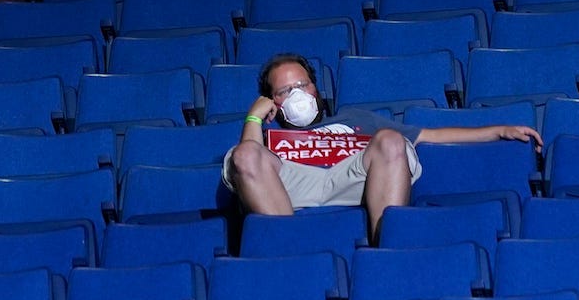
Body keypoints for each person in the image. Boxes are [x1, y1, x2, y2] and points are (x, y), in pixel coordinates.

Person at [223, 52, 540, 243]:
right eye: (284, 90)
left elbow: (432, 135)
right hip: (291, 184)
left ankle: (387, 246)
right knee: (243, 153)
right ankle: (289, 250)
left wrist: (498, 130)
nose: (297, 94)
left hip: (352, 178)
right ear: (272, 101)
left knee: (390, 139)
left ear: (316, 89)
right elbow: (246, 163)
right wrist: (254, 116)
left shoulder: (354, 118)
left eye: (303, 85)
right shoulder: (268, 136)